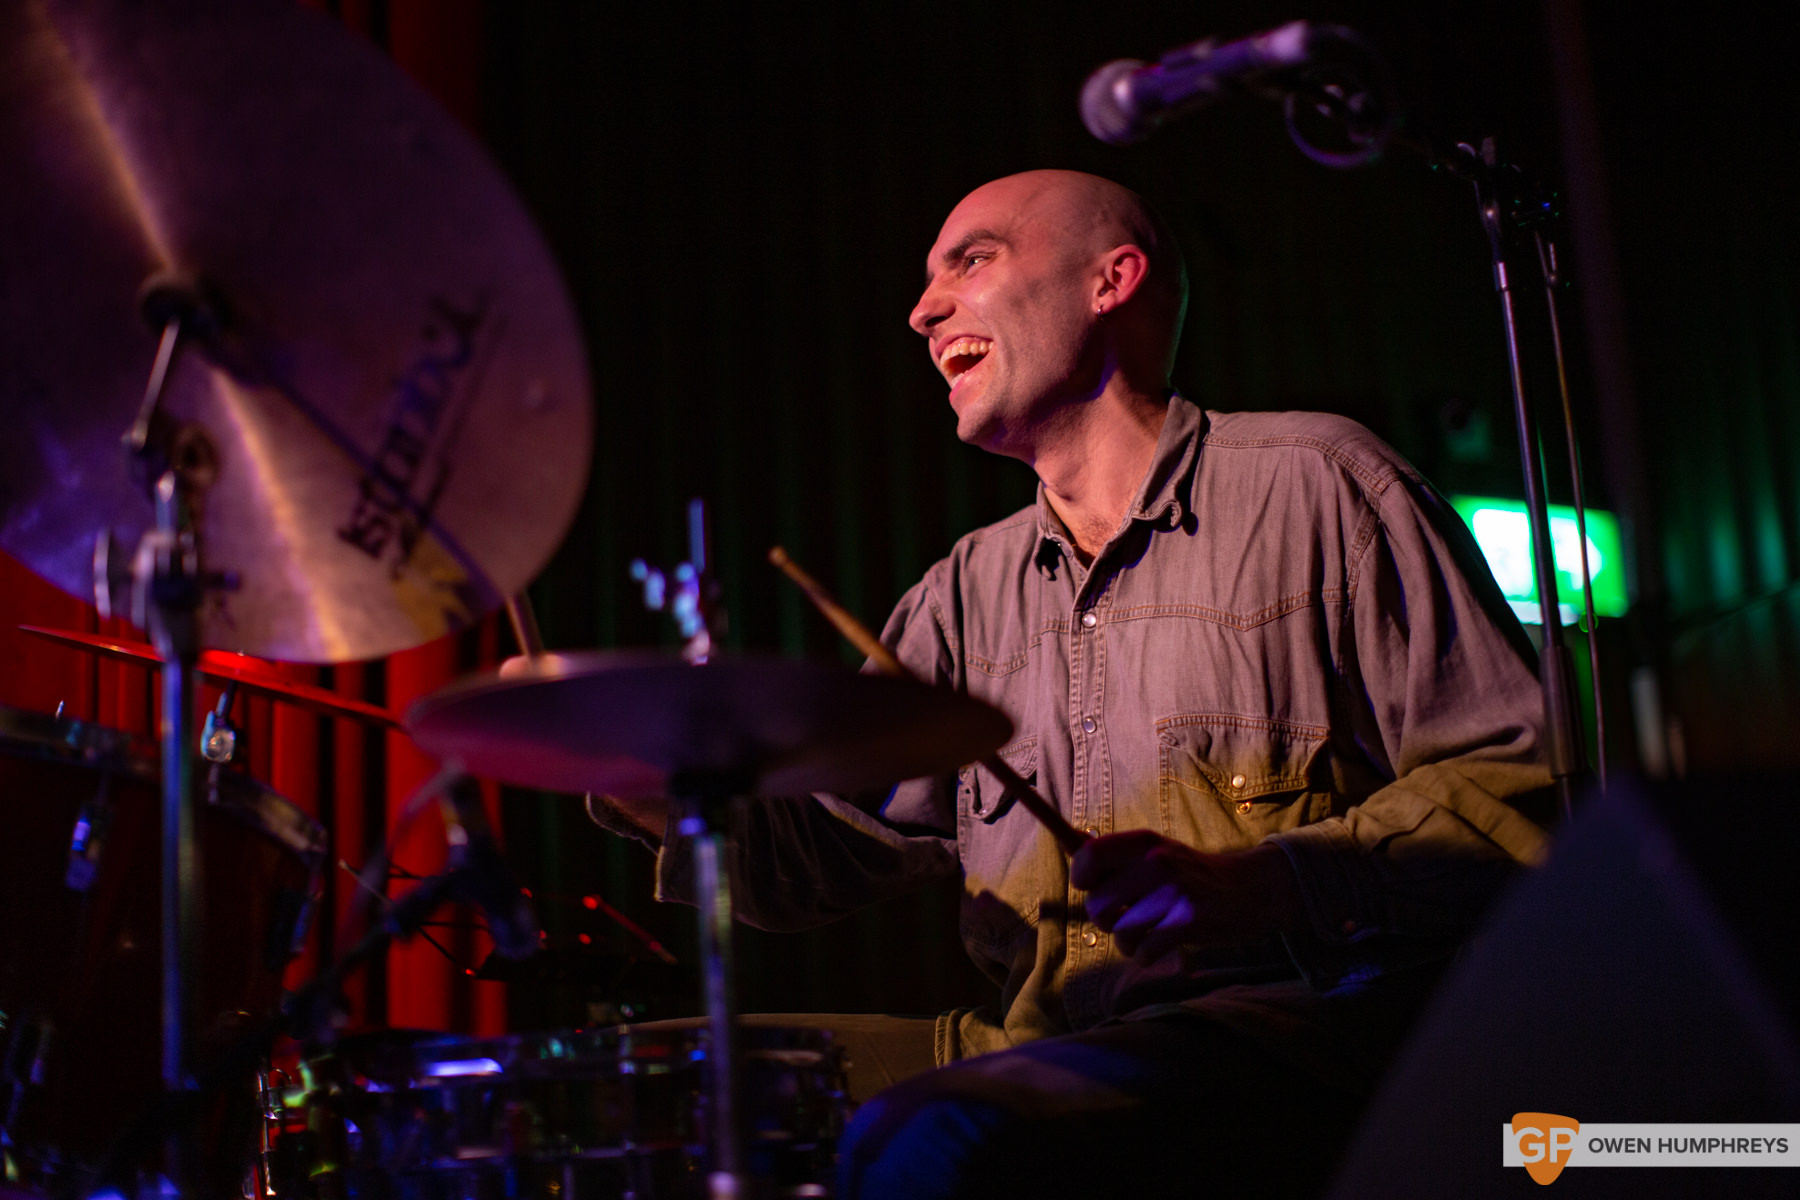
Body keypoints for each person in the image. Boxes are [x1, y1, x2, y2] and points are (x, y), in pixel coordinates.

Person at [592, 169, 1553, 1197]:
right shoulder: (965, 591)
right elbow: (817, 859)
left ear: (1112, 280)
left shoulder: (1320, 485)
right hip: (1032, 1039)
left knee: (939, 1137)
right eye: (926, 283)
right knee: (651, 1094)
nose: (922, 311)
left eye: (973, 259)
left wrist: (1263, 882)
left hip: (1294, 1038)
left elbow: (1521, 787)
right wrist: (639, 769)